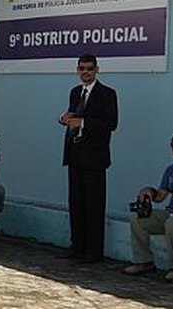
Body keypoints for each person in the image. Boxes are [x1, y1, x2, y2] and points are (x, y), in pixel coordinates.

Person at [58, 54, 118, 263]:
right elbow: (71, 115)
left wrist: (82, 123)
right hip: (75, 154)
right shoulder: (75, 92)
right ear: (77, 70)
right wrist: (63, 119)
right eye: (82, 68)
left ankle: (93, 252)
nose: (86, 72)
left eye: (89, 69)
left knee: (94, 204)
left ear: (96, 70)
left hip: (95, 158)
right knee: (76, 202)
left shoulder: (107, 94)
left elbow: (111, 123)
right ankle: (77, 246)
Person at [122, 134, 173, 280]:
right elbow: (161, 196)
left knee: (172, 223)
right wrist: (149, 192)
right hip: (170, 212)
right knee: (138, 218)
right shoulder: (171, 170)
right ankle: (144, 262)